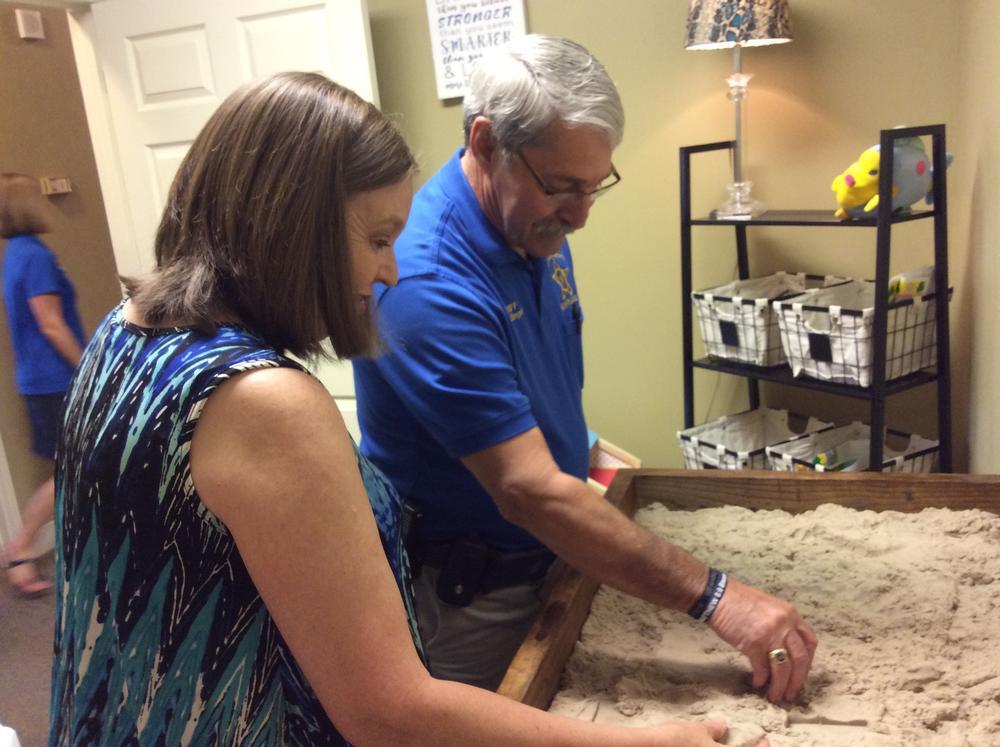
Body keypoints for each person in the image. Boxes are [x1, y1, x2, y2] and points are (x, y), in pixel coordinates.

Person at [49, 71, 755, 746]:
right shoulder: (264, 401)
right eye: (379, 239)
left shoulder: (125, 327)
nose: (390, 269)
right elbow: (390, 712)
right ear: (293, 226)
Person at [354, 34, 818, 699]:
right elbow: (527, 489)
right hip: (470, 593)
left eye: (596, 185)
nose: (582, 213)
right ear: (486, 144)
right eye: (564, 186)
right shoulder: (425, 279)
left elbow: (533, 380)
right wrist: (719, 596)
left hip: (552, 554)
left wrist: (586, 449)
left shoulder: (532, 221)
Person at [1, 173, 85, 597]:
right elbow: (51, 324)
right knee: (74, 470)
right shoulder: (34, 255)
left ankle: (25, 550)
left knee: (72, 469)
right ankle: (19, 549)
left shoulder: (16, 252)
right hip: (56, 381)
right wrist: (88, 366)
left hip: (39, 380)